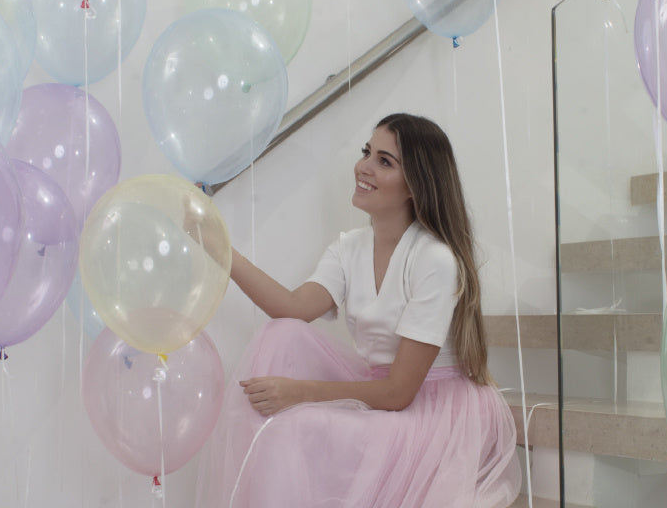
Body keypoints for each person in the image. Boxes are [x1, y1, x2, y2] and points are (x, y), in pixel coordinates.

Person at [194, 112, 521, 507]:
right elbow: (292, 308)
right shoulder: (349, 247)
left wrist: (299, 393)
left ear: (415, 185)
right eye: (367, 152)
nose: (363, 166)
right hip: (382, 389)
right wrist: (220, 250)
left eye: (384, 161)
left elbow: (399, 393)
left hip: (432, 408)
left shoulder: (433, 259)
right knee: (281, 332)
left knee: (289, 429)